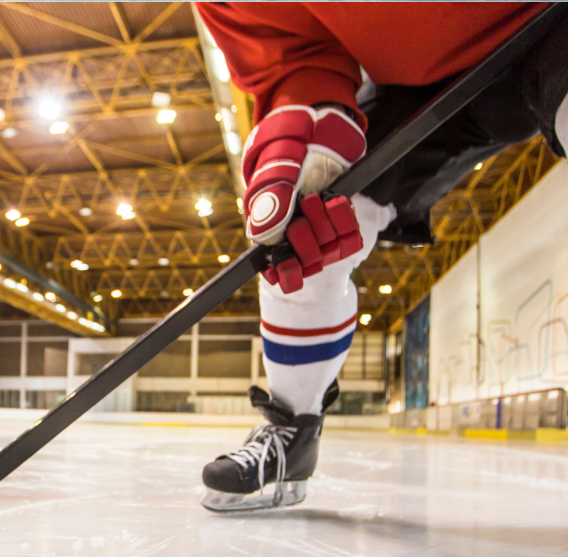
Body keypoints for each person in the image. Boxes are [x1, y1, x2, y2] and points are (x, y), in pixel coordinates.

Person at [194, 2, 568, 512]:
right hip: (395, 94)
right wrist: (305, 115)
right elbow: (296, 55)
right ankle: (292, 432)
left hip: (542, 25)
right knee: (307, 235)